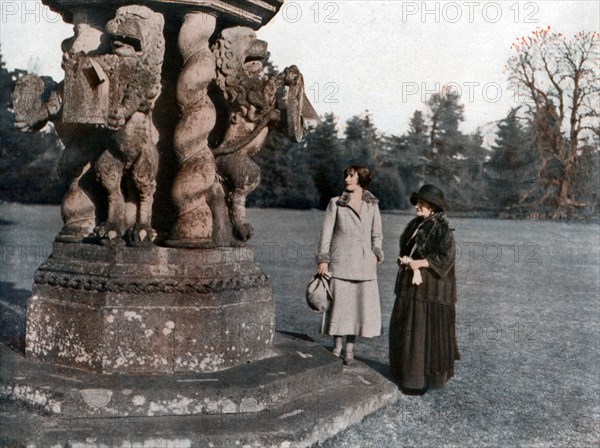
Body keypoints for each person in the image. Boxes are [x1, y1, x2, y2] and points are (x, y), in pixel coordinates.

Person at [389, 184, 460, 393]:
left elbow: (446, 258)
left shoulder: (442, 229)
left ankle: (419, 381)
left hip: (431, 291)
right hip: (410, 288)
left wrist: (418, 263)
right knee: (408, 331)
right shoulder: (415, 225)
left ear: (433, 207)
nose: (417, 206)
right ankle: (406, 375)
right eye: (418, 202)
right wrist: (404, 259)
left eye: (422, 203)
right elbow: (408, 248)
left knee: (422, 334)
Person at [316, 165, 384, 366]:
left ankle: (350, 349)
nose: (347, 178)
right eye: (345, 175)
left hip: (364, 265)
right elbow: (326, 234)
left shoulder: (372, 205)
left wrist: (376, 253)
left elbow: (377, 234)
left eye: (351, 175)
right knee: (340, 307)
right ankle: (337, 347)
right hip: (340, 263)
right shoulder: (335, 203)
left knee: (358, 308)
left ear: (361, 179)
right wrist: (323, 259)